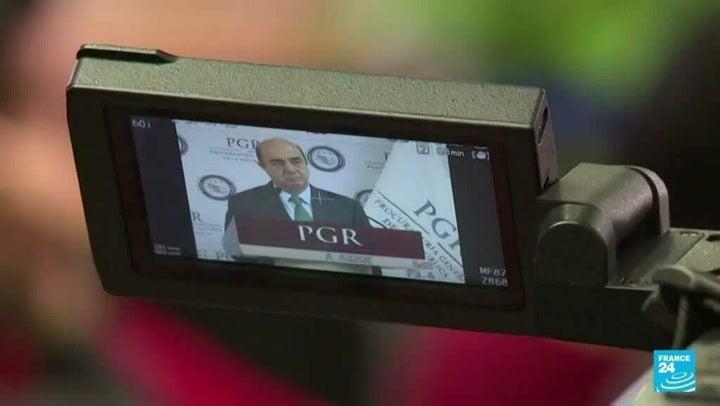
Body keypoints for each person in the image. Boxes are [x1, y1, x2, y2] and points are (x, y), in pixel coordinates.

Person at [224, 138, 370, 229]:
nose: (290, 169)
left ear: (306, 162)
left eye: (296, 161)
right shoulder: (243, 204)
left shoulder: (348, 208)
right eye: (278, 163)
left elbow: (369, 253)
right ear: (263, 167)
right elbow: (237, 252)